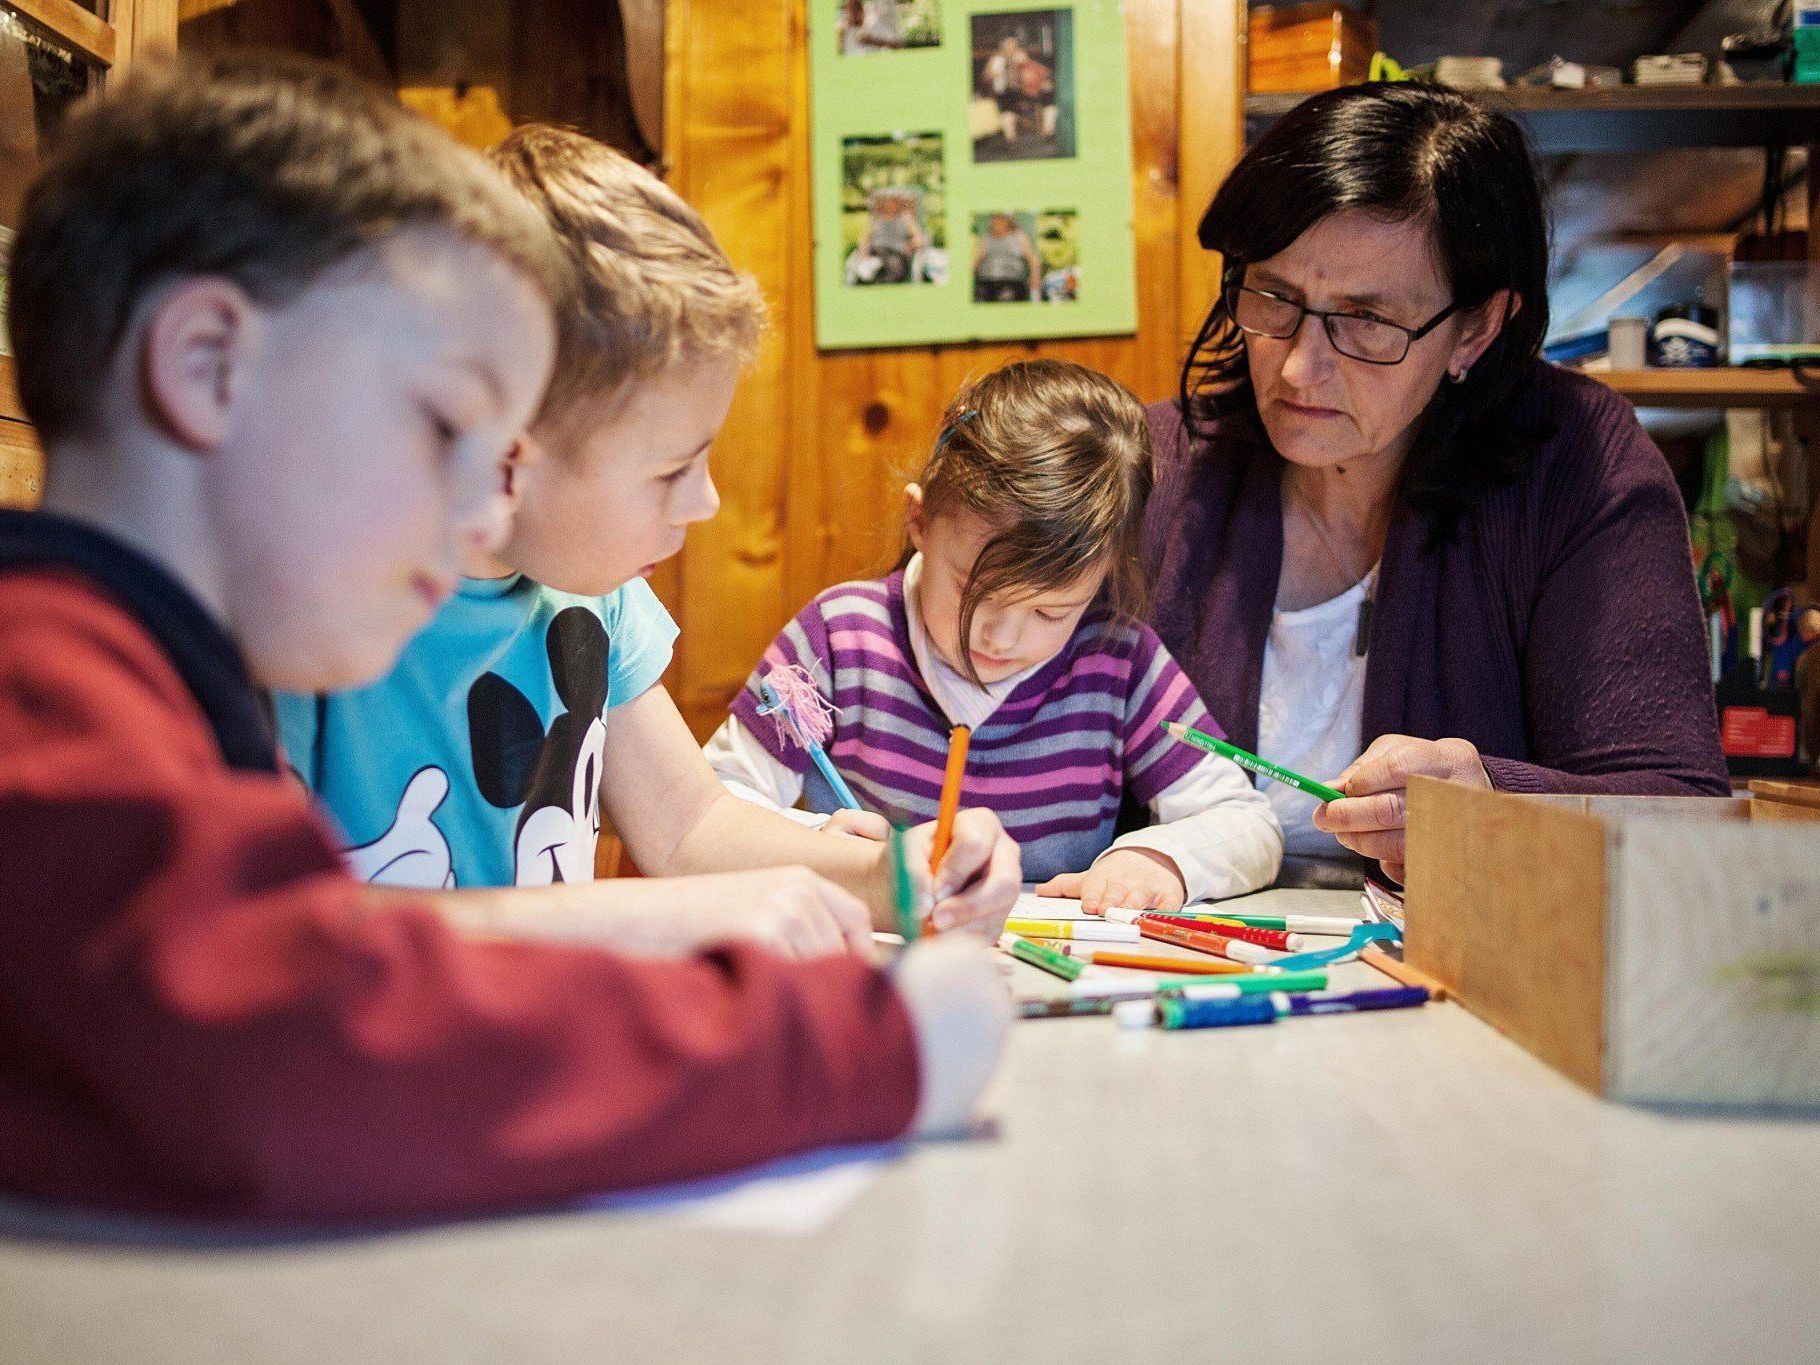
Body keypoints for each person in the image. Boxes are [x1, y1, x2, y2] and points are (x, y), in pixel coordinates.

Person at [0, 54, 1008, 1223]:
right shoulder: (47, 688)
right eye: (439, 427)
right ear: (208, 364)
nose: (483, 509)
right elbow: (311, 1037)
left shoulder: (135, 675)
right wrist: (847, 1053)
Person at [276, 125, 1020, 956]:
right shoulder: (309, 625)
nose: (703, 503)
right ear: (508, 442)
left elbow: (686, 824)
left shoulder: (595, 587)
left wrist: (890, 878)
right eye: (671, 470)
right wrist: (630, 919)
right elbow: (273, 932)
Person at [1144, 82, 1728, 885]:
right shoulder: (1155, 464)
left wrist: (1495, 803)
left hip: (1466, 981)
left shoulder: (1578, 464)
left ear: (1476, 329)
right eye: (1274, 297)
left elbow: (1683, 813)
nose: (1298, 365)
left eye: (1368, 321)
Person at [706, 361, 1283, 916]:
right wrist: (825, 848)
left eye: (1048, 612)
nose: (1001, 638)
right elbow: (711, 809)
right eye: (972, 592)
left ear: (1104, 574)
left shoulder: (1117, 663)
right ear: (921, 521)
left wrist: (1161, 859)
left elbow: (1248, 823)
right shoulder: (838, 638)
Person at [973, 212, 1042, 303]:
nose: (995, 222)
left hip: (1011, 283)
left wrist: (1035, 290)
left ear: (1007, 222)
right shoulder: (987, 238)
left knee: (1005, 298)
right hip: (986, 283)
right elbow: (974, 262)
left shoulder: (1019, 237)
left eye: (1000, 219)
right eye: (994, 219)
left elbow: (1034, 262)